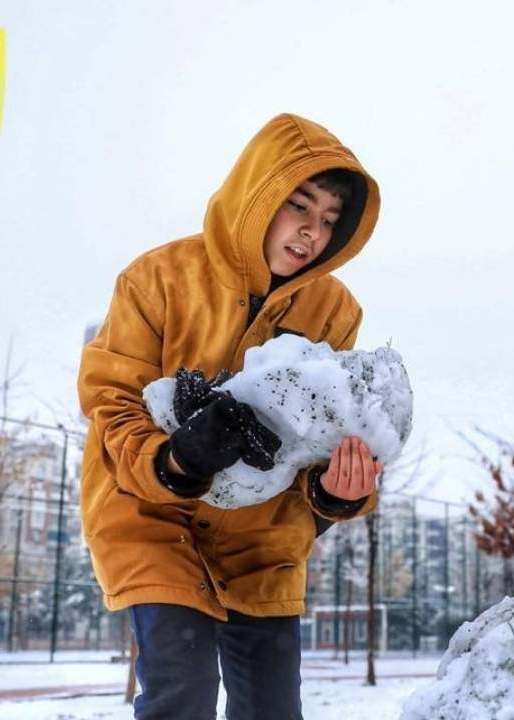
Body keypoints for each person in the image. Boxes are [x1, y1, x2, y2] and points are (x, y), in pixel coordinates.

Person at [78, 113, 384, 720]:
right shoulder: (157, 278)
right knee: (182, 689)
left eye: (328, 221)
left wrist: (335, 492)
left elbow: (326, 435)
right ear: (257, 196)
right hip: (151, 517)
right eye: (299, 206)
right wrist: (178, 458)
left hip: (262, 539)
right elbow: (110, 400)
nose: (311, 233)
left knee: (271, 708)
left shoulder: (336, 311)